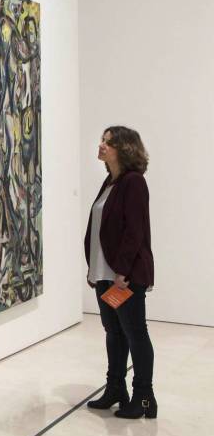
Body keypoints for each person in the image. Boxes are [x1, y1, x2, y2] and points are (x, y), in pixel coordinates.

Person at [83, 126, 156, 419]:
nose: (101, 145)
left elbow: (135, 231)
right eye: (102, 140)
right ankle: (115, 388)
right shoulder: (110, 182)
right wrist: (94, 268)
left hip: (124, 276)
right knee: (114, 332)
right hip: (105, 275)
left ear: (124, 149)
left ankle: (144, 397)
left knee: (135, 333)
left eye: (108, 143)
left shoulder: (134, 182)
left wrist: (123, 271)